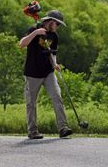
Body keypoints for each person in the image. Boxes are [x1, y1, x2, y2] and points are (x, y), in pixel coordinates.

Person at [19, 10, 73, 139]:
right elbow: (22, 44)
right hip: (32, 73)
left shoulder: (54, 36)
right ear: (51, 22)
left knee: (57, 97)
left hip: (48, 72)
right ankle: (33, 131)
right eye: (57, 24)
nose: (58, 27)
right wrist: (36, 33)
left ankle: (63, 128)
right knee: (31, 103)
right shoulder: (34, 29)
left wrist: (55, 64)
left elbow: (52, 54)